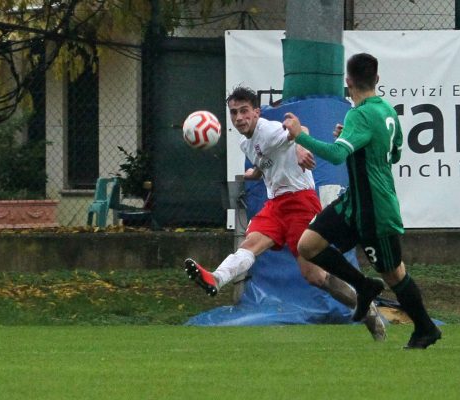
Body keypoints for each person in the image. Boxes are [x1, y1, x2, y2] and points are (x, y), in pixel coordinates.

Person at [184, 85, 386, 340]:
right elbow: (264, 160)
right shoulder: (245, 143)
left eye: (244, 111)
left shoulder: (268, 129)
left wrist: (301, 147)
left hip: (301, 202)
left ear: (256, 112)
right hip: (276, 205)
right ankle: (216, 278)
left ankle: (366, 308)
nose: (238, 118)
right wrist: (254, 174)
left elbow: (302, 131)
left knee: (314, 276)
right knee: (249, 245)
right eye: (234, 113)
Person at [283, 53, 441, 349]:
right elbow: (394, 153)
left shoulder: (359, 114)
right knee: (307, 246)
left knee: (394, 274)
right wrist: (354, 138)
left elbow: (335, 155)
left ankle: (425, 327)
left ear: (348, 82)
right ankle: (364, 285)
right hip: (352, 204)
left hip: (374, 208)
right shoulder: (386, 111)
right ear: (377, 79)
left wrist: (298, 136)